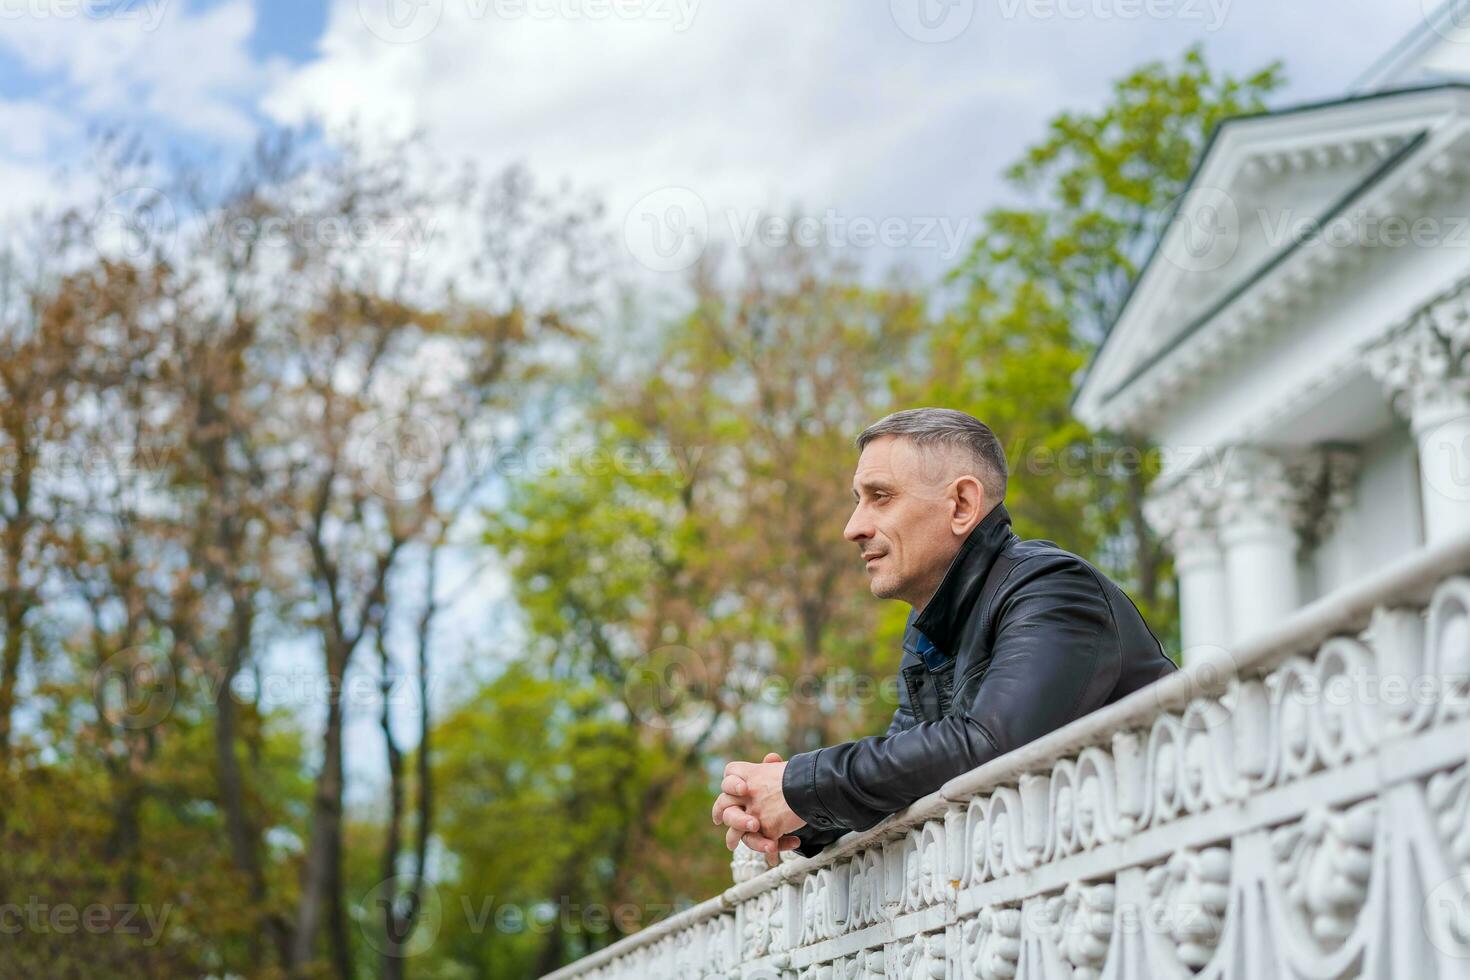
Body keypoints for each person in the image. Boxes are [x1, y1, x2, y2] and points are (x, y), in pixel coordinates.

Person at [711, 408, 1177, 862]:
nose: (853, 527)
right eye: (858, 499)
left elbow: (993, 747)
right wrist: (794, 812)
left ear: (962, 505)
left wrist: (802, 784)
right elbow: (909, 772)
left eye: (881, 496)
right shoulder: (931, 624)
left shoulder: (1053, 587)